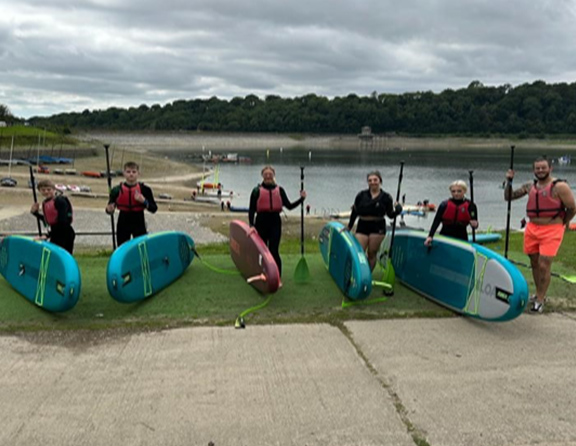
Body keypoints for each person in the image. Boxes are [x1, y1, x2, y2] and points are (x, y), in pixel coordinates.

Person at [505, 156, 576, 313]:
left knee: (544, 264)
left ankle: (540, 298)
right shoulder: (530, 186)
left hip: (552, 229)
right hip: (532, 228)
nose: (540, 170)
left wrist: (562, 223)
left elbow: (572, 208)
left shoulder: (560, 187)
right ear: (533, 170)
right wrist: (509, 181)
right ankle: (538, 293)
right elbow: (508, 197)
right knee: (534, 262)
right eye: (537, 168)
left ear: (550, 168)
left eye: (543, 167)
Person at [248, 165, 306, 278]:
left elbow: (289, 206)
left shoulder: (280, 190)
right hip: (261, 222)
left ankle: (277, 276)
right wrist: (251, 225)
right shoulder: (256, 191)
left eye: (270, 174)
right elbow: (251, 209)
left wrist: (301, 199)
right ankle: (263, 273)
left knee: (274, 250)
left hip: (275, 222)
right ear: (262, 176)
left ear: (274, 175)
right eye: (266, 174)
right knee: (262, 251)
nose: (268, 176)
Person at [347, 171, 402, 271]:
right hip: (362, 225)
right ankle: (357, 273)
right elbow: (355, 211)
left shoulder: (386, 197)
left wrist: (398, 210)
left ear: (380, 181)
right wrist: (349, 227)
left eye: (375, 180)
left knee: (372, 253)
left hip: (378, 227)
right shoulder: (361, 195)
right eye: (370, 180)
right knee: (359, 252)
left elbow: (390, 215)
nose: (373, 182)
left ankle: (368, 274)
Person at [105, 161, 158, 246]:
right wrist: (109, 210)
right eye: (128, 172)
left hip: (139, 220)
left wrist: (144, 201)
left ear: (138, 173)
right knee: (122, 247)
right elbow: (109, 208)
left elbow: (154, 208)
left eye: (134, 172)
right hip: (123, 220)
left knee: (141, 247)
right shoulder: (116, 190)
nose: (131, 174)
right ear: (124, 173)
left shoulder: (145, 189)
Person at [424, 180, 478, 246]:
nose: (456, 193)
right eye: (453, 191)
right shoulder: (444, 205)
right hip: (445, 236)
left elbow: (475, 224)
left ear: (464, 191)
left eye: (459, 191)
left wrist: (475, 225)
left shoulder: (471, 206)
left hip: (462, 237)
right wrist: (430, 236)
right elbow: (436, 222)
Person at [30, 179, 75, 254]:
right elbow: (47, 221)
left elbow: (62, 221)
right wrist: (35, 213)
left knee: (61, 257)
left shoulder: (60, 201)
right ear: (40, 191)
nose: (46, 192)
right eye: (43, 190)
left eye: (48, 189)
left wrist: (48, 235)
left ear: (54, 189)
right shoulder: (46, 203)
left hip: (65, 233)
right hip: (56, 233)